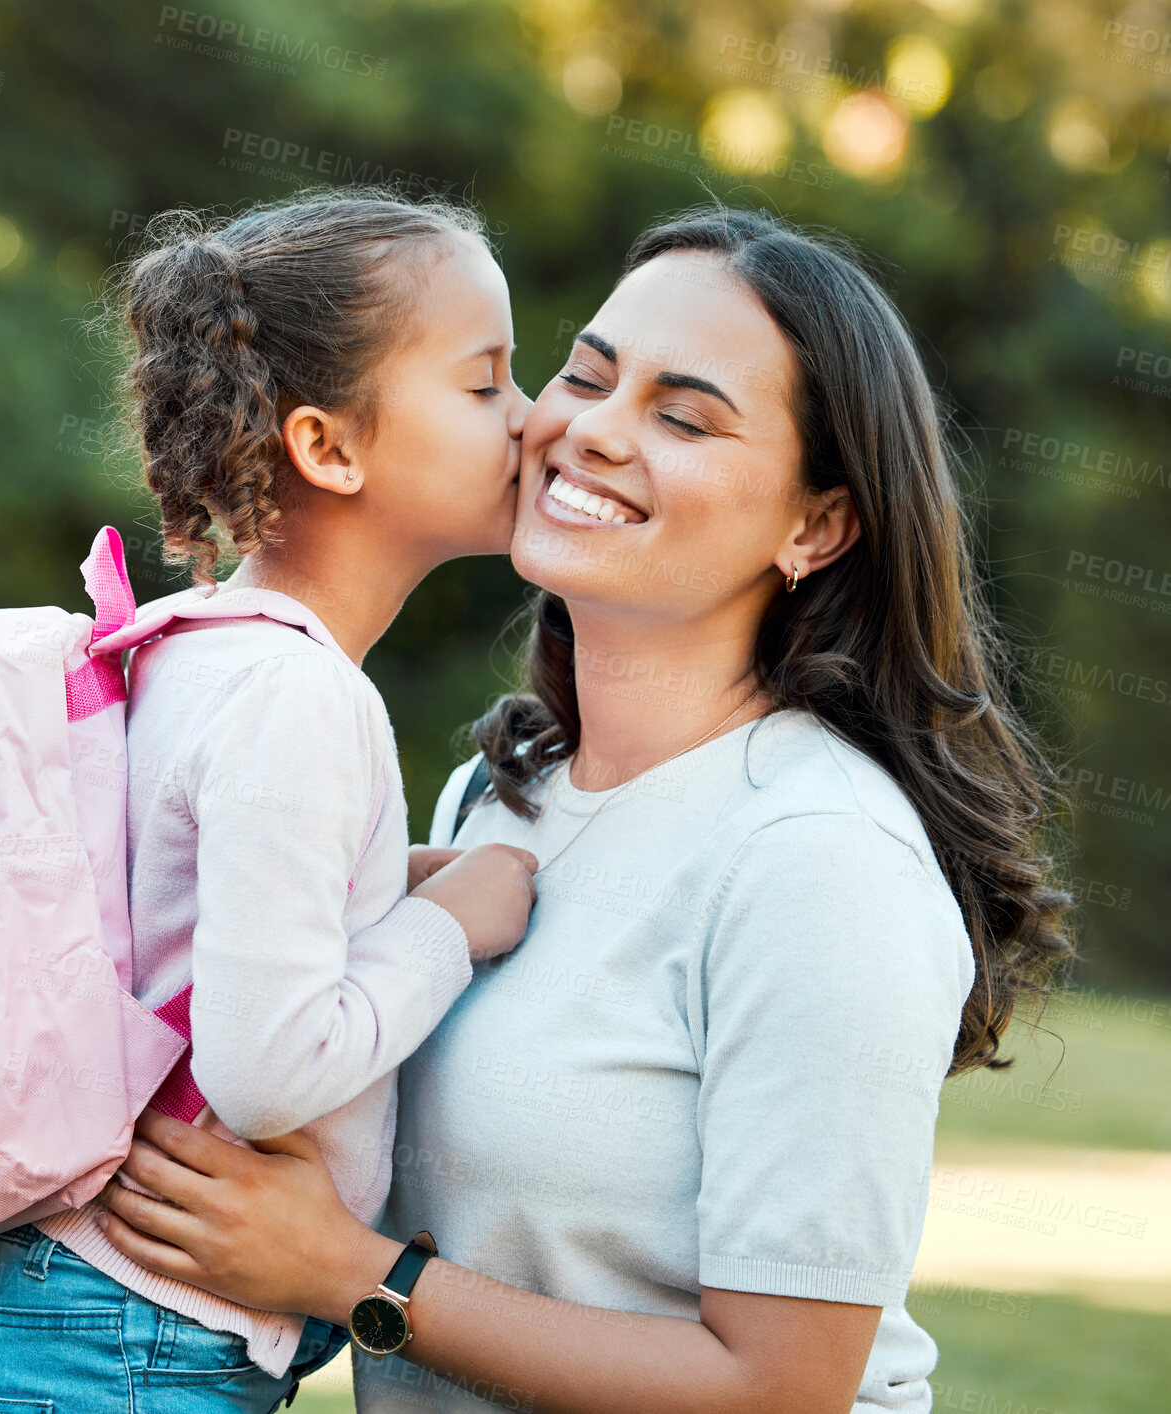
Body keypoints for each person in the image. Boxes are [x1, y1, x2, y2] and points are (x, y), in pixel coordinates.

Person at [95, 203, 1073, 1413]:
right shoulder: (491, 797)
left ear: (814, 526)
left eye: (681, 415)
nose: (589, 432)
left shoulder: (817, 854)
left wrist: (350, 1274)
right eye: (586, 375)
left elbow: (781, 1388)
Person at [0, 190, 541, 1414]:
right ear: (329, 448)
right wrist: (452, 925)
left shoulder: (190, 645)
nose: (534, 422)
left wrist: (395, 878)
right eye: (485, 385)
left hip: (81, 1306)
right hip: (134, 1334)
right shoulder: (300, 696)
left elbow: (190, 904)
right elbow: (268, 1069)